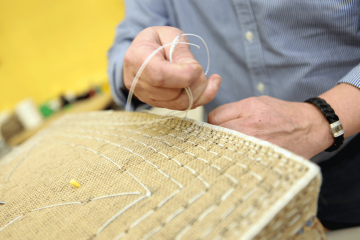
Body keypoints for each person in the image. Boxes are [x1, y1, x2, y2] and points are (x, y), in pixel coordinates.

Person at [108, 1, 360, 230]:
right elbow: (126, 45)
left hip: (351, 162)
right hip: (235, 184)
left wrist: (316, 122)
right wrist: (140, 68)